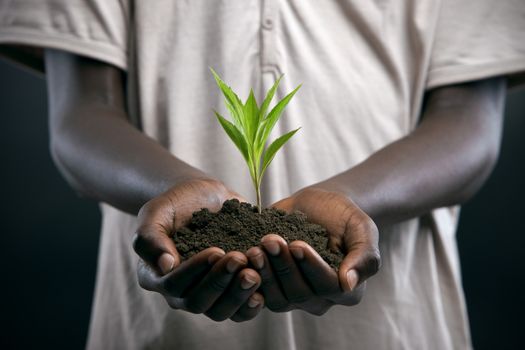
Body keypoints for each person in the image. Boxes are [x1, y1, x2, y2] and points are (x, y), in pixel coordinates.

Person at [1, 1, 524, 349]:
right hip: (163, 332)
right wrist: (170, 192)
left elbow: (469, 125)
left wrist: (349, 199)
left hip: (394, 327)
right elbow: (81, 115)